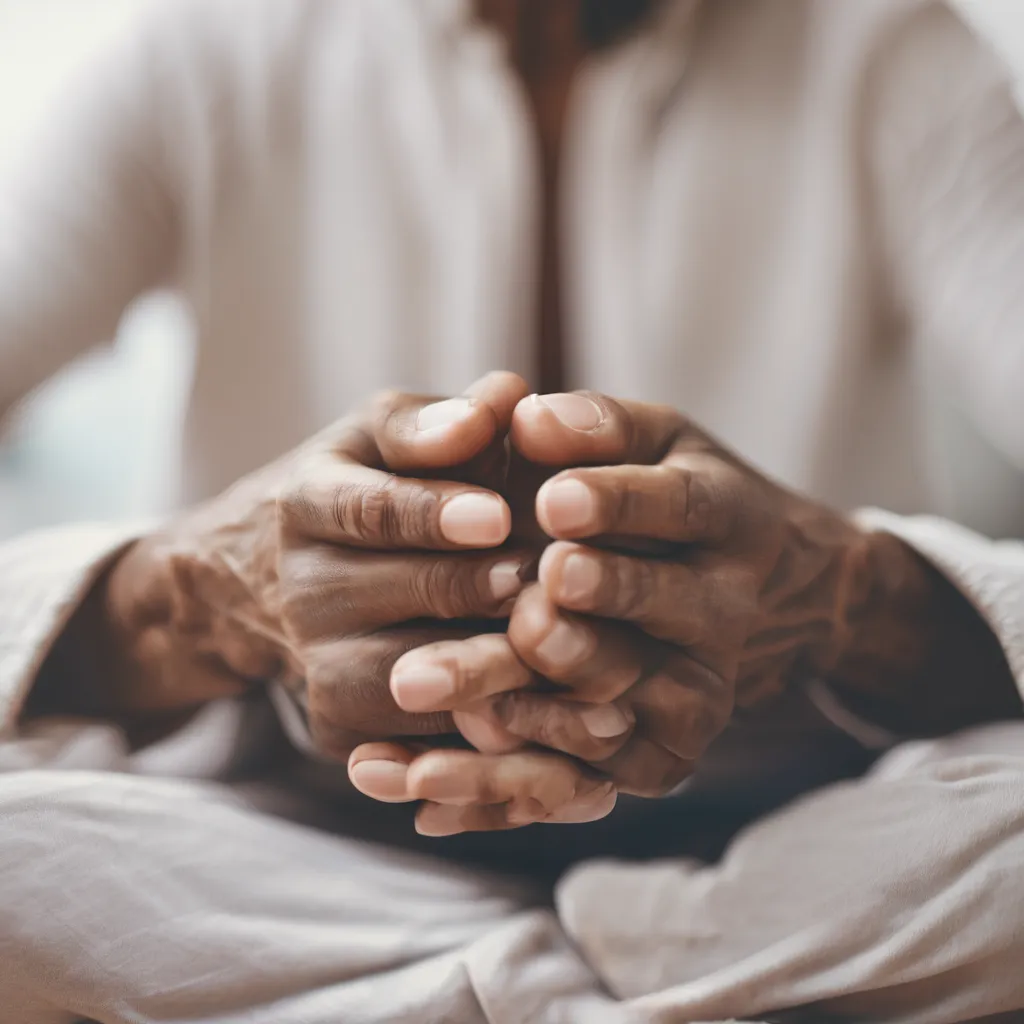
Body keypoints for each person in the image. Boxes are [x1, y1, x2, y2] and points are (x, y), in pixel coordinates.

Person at [0, 1, 1023, 1021]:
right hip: (299, 848)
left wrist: (846, 593)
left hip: (798, 830)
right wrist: (187, 596)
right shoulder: (203, 52)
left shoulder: (884, 43)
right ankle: (665, 979)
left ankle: (451, 985)